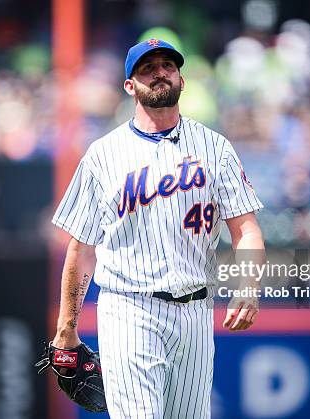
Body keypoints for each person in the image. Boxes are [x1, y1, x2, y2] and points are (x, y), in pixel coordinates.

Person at [51, 38, 265, 418]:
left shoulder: (215, 148)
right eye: (148, 68)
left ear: (181, 78)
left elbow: (246, 229)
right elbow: (81, 250)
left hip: (196, 311)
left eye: (168, 65)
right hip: (129, 308)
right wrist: (66, 329)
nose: (160, 72)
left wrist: (248, 288)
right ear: (130, 86)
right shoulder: (103, 155)